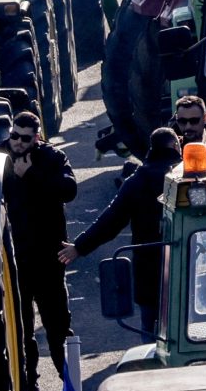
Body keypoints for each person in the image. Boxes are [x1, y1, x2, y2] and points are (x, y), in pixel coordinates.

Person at [66, 127, 180, 336]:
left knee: (152, 333)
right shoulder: (188, 177)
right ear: (175, 146)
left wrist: (79, 247)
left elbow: (111, 220)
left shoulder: (136, 182)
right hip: (191, 271)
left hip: (150, 275)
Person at [2, 113, 79, 375]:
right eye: (14, 136)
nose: (18, 143)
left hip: (47, 256)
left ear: (36, 137)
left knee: (57, 325)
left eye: (25, 138)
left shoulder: (52, 157)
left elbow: (69, 189)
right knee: (20, 328)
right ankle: (29, 381)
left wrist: (31, 174)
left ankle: (69, 381)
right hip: (14, 257)